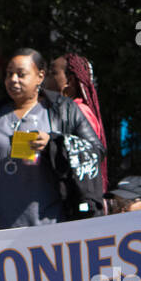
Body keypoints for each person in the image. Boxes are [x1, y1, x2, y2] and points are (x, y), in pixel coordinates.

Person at [0, 48, 104, 230]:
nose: (13, 80)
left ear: (40, 76)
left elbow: (95, 151)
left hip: (49, 224)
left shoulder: (62, 110)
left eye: (21, 74)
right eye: (9, 74)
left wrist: (54, 143)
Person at [47, 54, 109, 191]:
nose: (46, 78)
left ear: (70, 81)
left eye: (53, 73)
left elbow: (89, 154)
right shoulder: (57, 109)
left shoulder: (79, 111)